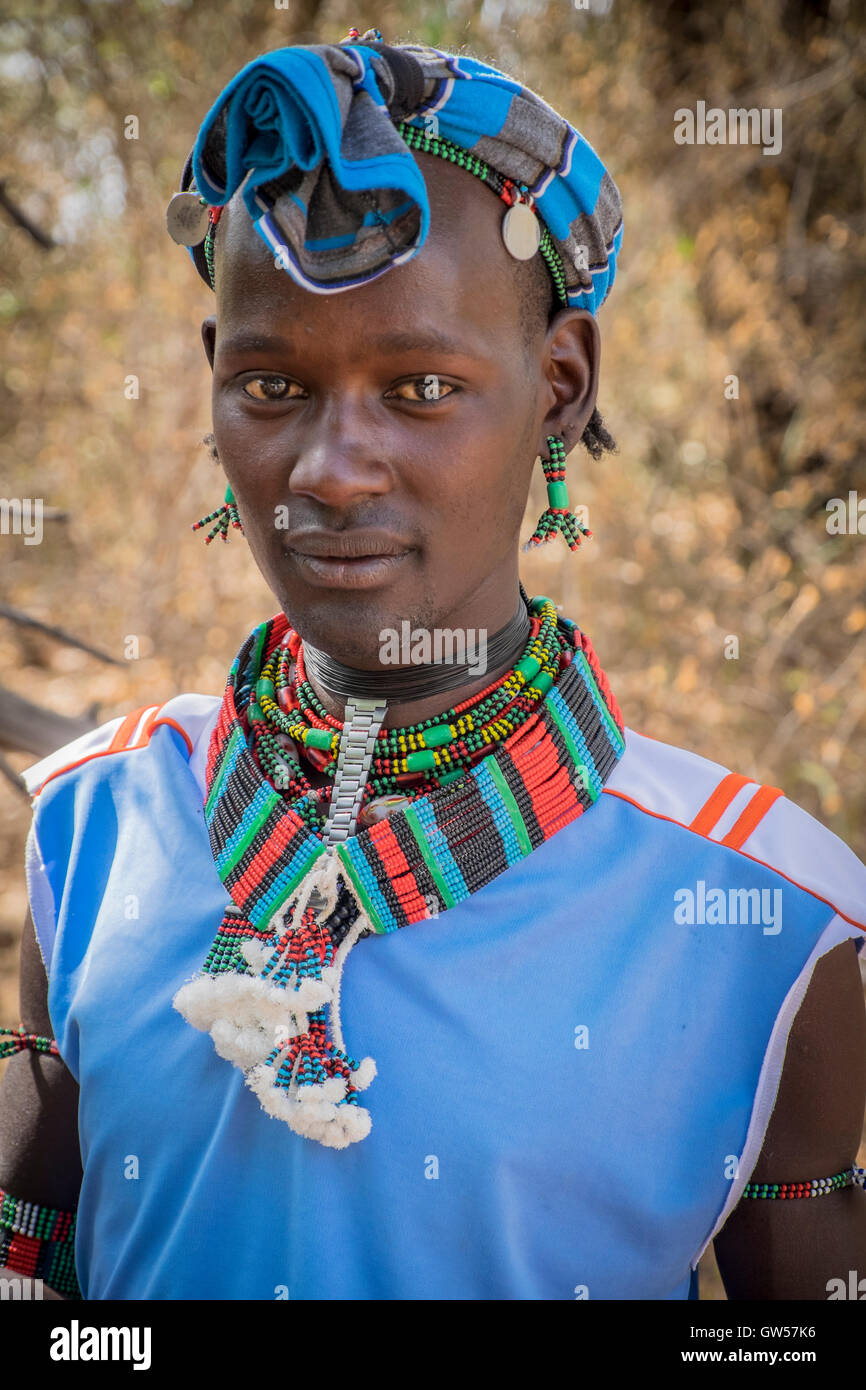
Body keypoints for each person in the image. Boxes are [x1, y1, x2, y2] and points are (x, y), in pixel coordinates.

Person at [1, 29, 864, 1302]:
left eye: (417, 385)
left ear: (559, 383)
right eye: (272, 384)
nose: (329, 470)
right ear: (210, 385)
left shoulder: (764, 915)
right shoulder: (94, 822)